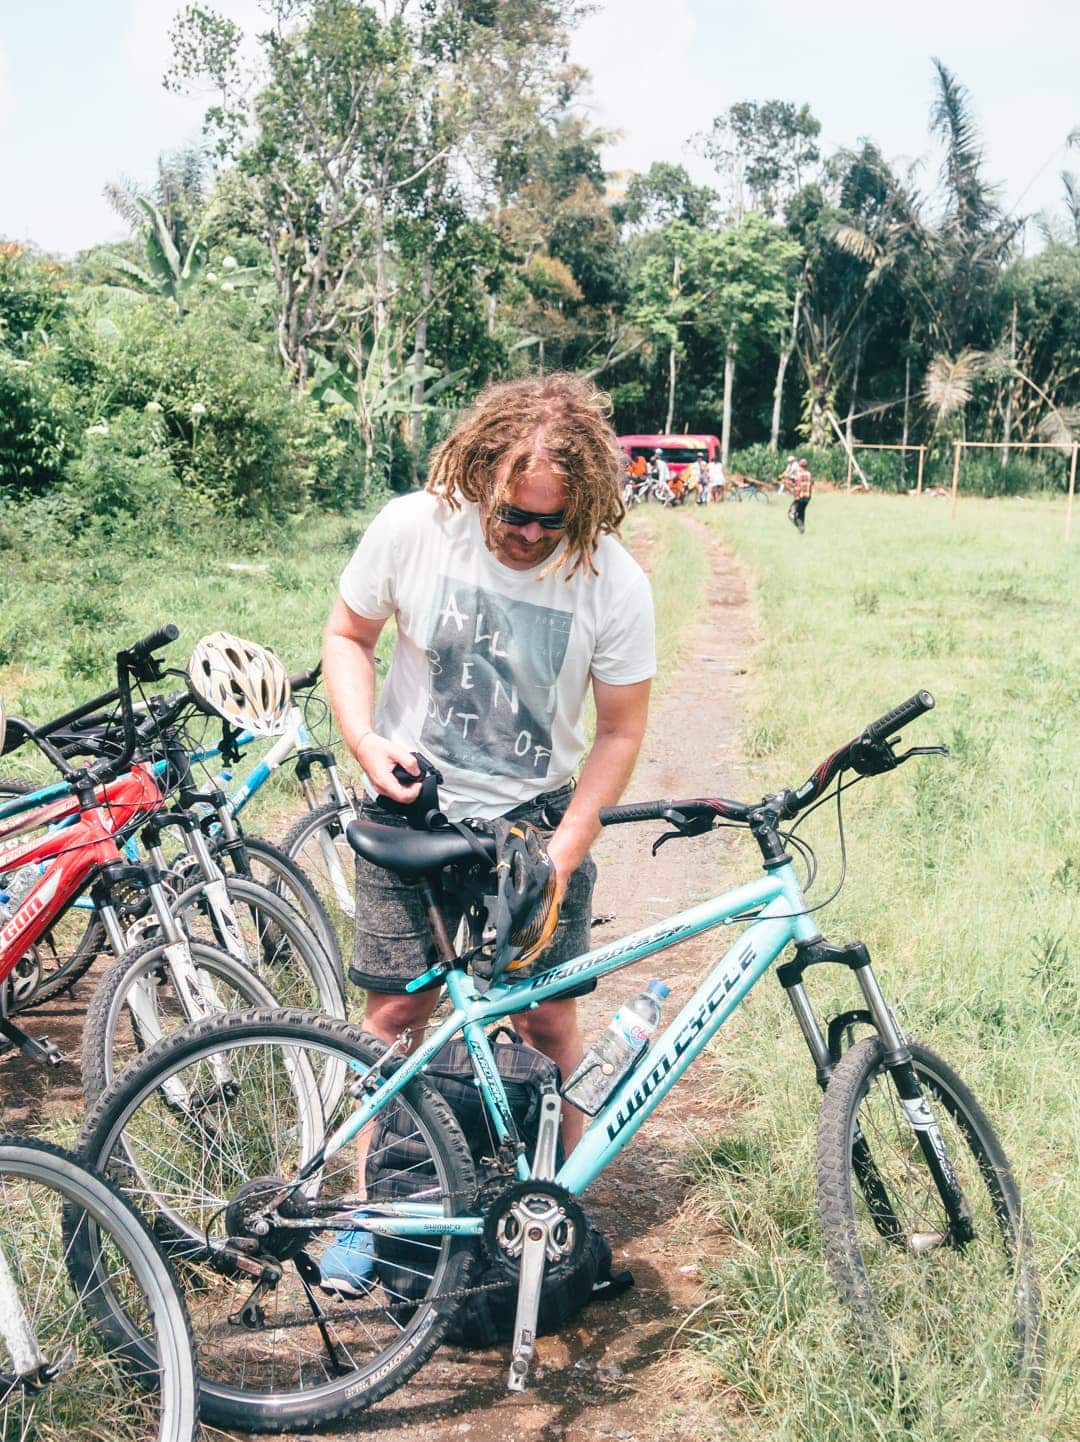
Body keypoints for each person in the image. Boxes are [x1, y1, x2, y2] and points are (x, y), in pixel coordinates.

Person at [323, 368, 655, 1156]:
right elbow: (348, 636)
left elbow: (618, 732)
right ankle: (374, 1209)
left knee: (544, 1020)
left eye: (556, 521)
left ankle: (559, 1210)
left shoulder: (613, 580)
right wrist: (366, 741)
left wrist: (562, 854)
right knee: (397, 1015)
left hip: (536, 819)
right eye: (514, 515)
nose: (532, 536)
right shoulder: (414, 529)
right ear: (480, 474)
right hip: (414, 812)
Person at [790, 457, 813, 532]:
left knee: (791, 513)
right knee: (802, 512)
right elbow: (811, 484)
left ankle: (800, 527)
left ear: (800, 466)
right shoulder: (809, 474)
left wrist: (796, 496)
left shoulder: (798, 475)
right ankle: (801, 528)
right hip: (807, 497)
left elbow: (797, 487)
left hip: (800, 497)